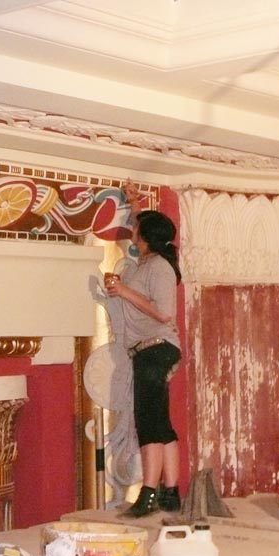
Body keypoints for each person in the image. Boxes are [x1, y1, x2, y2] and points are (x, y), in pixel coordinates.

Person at [105, 209, 182, 517]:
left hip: (156, 348)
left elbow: (164, 313)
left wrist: (124, 291)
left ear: (147, 237)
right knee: (160, 422)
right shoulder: (148, 264)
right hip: (149, 349)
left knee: (148, 422)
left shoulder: (160, 267)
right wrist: (136, 203)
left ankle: (148, 494)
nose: (132, 233)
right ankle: (171, 493)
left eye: (137, 229)